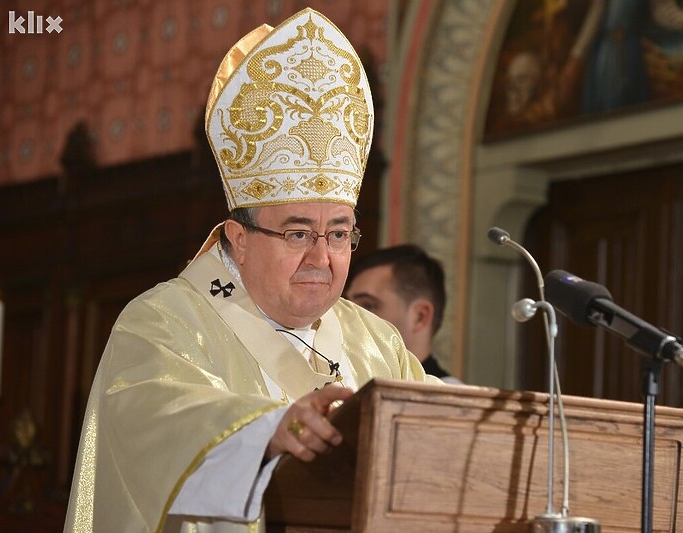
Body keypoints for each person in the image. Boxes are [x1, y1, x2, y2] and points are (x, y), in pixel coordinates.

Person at [64, 8, 436, 532]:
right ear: (238, 240)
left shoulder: (378, 342)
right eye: (298, 233)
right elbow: (152, 422)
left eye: (338, 233)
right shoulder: (163, 322)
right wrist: (264, 433)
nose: (321, 257)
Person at [345, 244, 463, 384]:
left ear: (420, 317)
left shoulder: (447, 399)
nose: (348, 317)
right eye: (347, 305)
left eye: (368, 305)